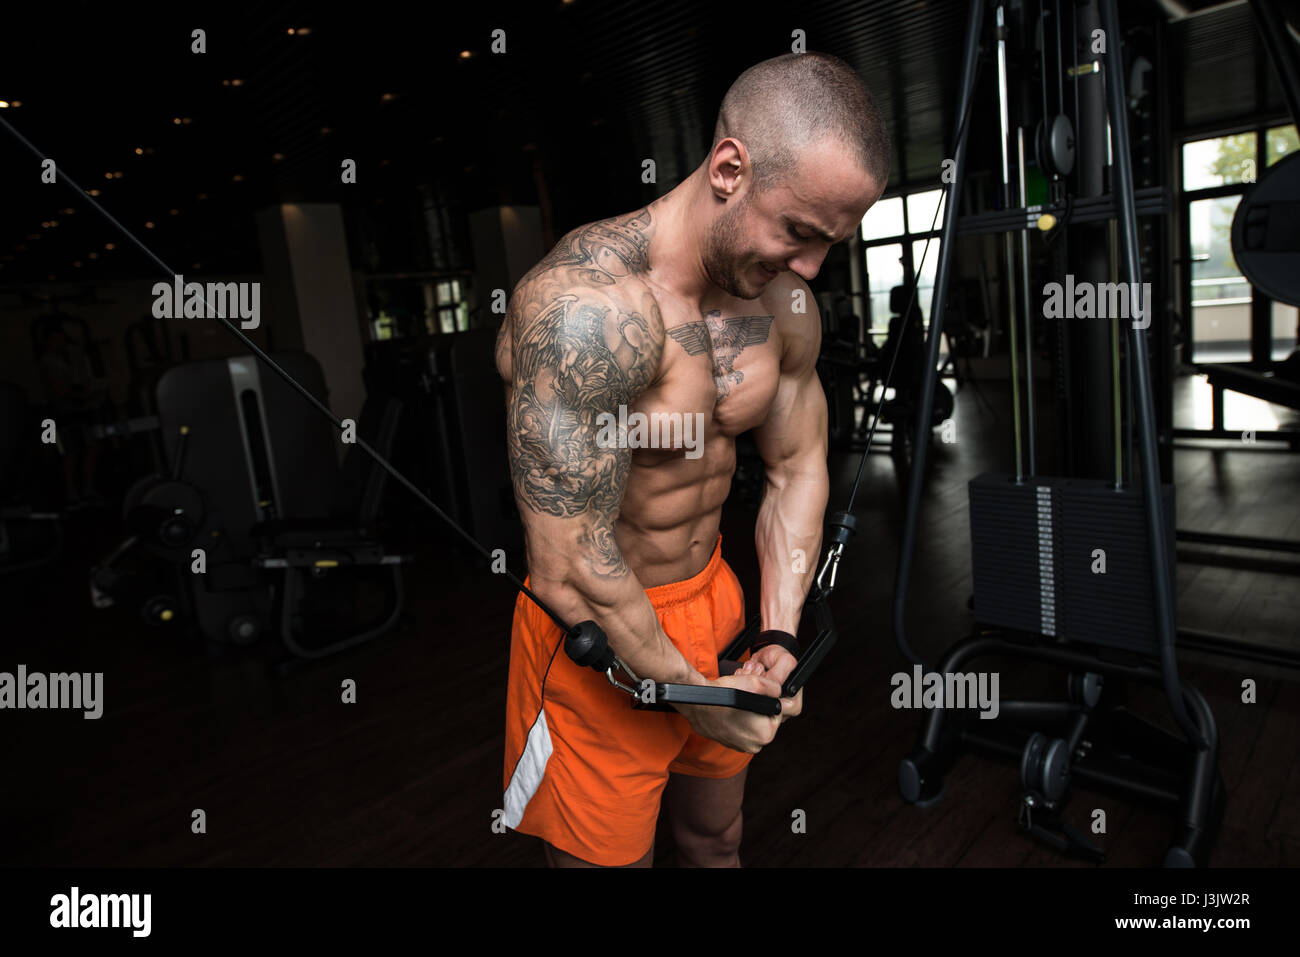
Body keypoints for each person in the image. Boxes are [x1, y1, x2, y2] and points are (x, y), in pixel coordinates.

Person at [495, 52, 889, 867]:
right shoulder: (584, 310)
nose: (811, 269)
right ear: (729, 168)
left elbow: (797, 467)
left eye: (831, 244)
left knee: (716, 839)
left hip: (716, 608)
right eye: (798, 233)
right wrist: (695, 697)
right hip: (598, 631)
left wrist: (777, 628)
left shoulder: (780, 306)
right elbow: (569, 566)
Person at [35, 318, 107, 507]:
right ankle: (72, 494)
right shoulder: (50, 362)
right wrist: (86, 394)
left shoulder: (66, 359)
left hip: (80, 412)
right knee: (70, 453)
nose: (61, 343)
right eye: (58, 339)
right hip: (65, 414)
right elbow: (61, 391)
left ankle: (87, 490)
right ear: (49, 340)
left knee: (90, 449)